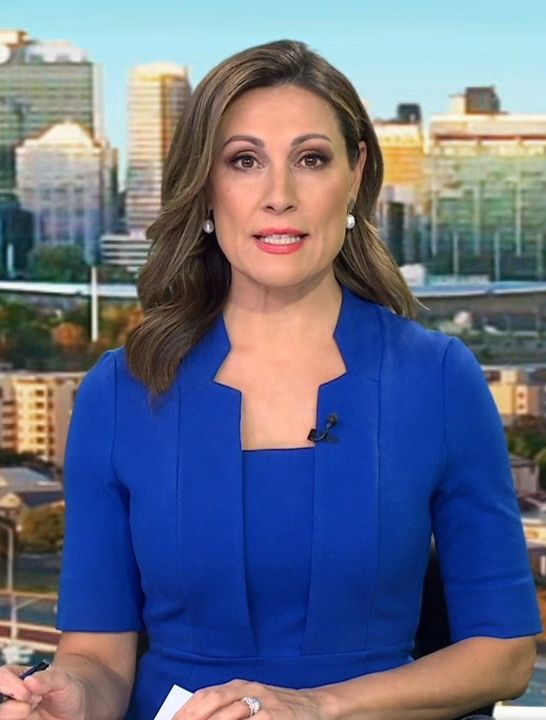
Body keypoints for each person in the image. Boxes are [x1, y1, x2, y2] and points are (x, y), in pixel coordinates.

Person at [0, 39, 541, 720]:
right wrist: (67, 697)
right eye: (244, 161)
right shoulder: (120, 391)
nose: (279, 196)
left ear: (354, 175)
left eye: (310, 159)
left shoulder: (438, 378)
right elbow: (99, 660)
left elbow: (503, 655)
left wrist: (314, 707)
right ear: (206, 187)